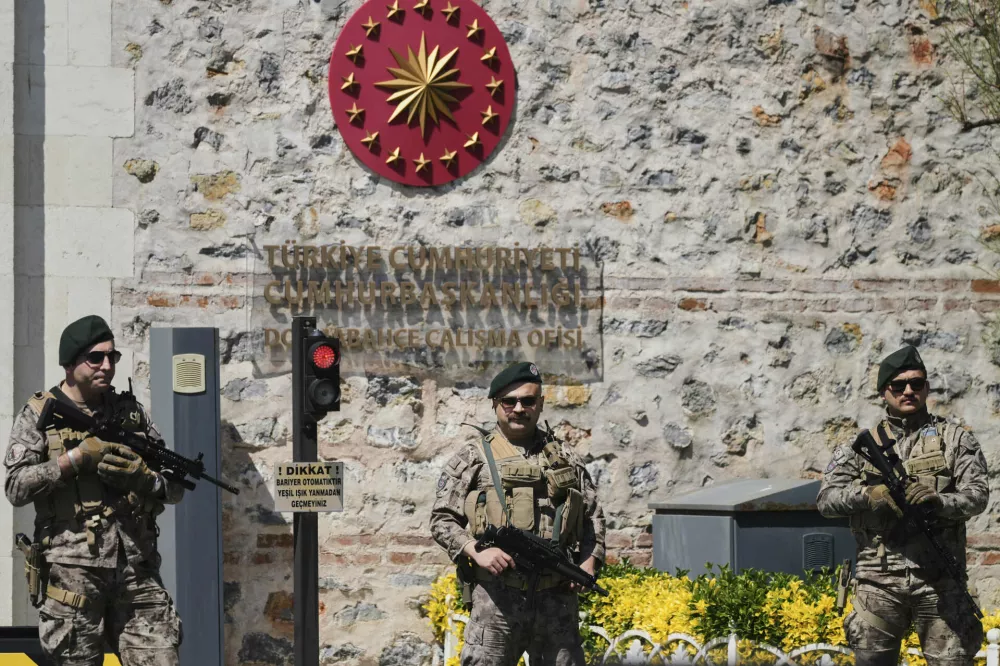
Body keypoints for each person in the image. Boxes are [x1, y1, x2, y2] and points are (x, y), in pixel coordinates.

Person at [4, 315, 184, 666]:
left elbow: (174, 486)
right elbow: (15, 487)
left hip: (136, 570)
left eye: (112, 357)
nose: (107, 365)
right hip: (72, 575)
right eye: (95, 358)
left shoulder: (131, 414)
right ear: (71, 364)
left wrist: (143, 478)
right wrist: (74, 460)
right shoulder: (39, 413)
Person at [817, 345, 989, 666]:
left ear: (926, 388)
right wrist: (870, 495)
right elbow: (827, 500)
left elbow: (978, 496)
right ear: (885, 391)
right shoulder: (858, 446)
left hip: (939, 583)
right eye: (899, 385)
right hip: (877, 583)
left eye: (917, 383)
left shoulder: (955, 439)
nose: (908, 391)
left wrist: (940, 501)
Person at [430, 361, 606, 666]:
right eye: (509, 401)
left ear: (540, 404)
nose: (518, 408)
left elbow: (592, 518)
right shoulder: (473, 457)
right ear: (496, 405)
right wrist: (477, 552)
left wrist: (589, 561)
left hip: (556, 600)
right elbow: (442, 519)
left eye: (528, 400)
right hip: (497, 600)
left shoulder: (566, 458)